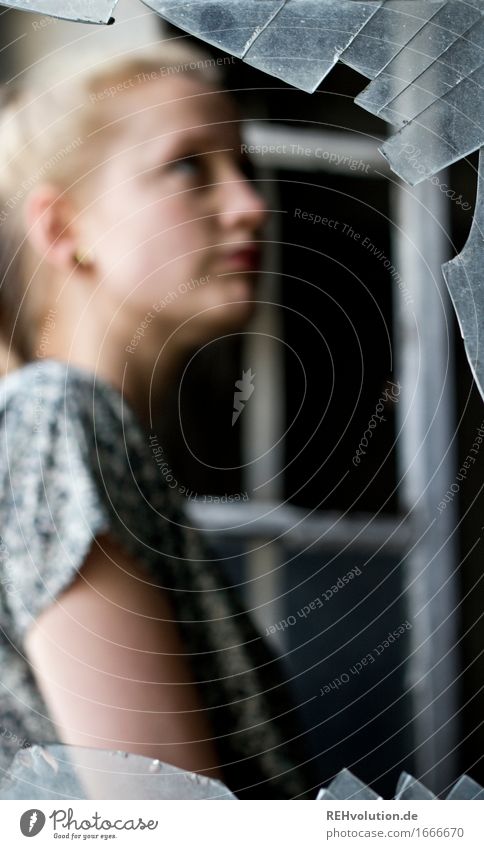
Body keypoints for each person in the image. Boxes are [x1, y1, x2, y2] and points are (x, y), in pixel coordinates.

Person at [0, 42, 313, 799]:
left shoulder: (100, 447)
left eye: (239, 165)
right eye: (186, 167)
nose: (249, 205)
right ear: (62, 225)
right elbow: (169, 821)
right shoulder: (54, 418)